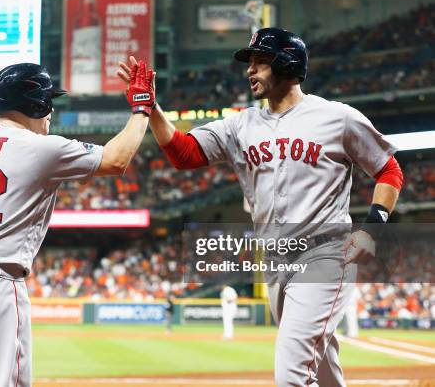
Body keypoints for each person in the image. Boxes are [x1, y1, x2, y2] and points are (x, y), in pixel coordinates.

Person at [118, 28, 404, 386]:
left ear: (287, 63)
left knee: (292, 373)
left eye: (260, 62)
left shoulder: (337, 117)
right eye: (250, 64)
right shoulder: (241, 125)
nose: (250, 71)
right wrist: (152, 107)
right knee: (325, 371)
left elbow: (388, 169)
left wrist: (371, 228)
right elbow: (184, 154)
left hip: (325, 256)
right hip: (275, 260)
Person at [0, 61, 155, 386]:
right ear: (37, 103)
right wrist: (142, 108)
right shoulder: (41, 146)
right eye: (49, 101)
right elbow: (116, 159)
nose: (51, 111)